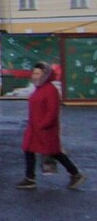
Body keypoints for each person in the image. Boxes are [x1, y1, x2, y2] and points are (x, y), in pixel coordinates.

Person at [16, 61, 84, 190]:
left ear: (45, 74)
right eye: (34, 73)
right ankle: (30, 178)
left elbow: (52, 111)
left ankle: (75, 174)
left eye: (37, 73)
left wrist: (43, 125)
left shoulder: (50, 90)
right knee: (28, 149)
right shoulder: (39, 88)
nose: (34, 76)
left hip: (45, 129)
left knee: (54, 152)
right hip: (34, 128)